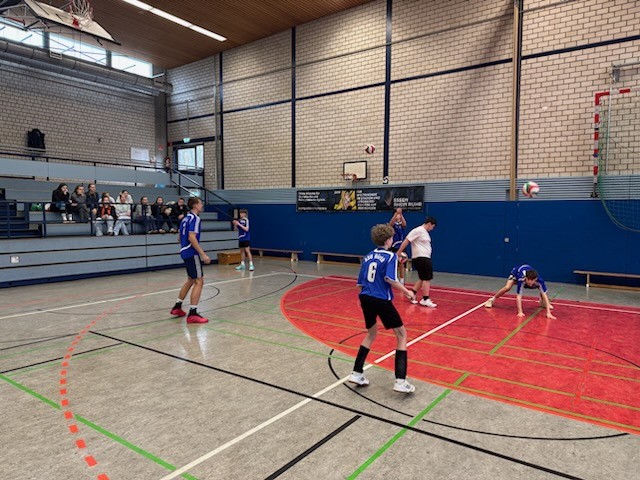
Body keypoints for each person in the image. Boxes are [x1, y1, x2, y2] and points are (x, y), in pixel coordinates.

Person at [348, 224, 417, 394]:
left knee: (371, 333)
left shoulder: (368, 256)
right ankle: (400, 381)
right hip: (381, 300)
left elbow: (360, 283)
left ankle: (356, 373)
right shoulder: (391, 256)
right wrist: (407, 292)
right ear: (388, 240)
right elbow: (390, 279)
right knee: (401, 335)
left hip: (365, 297)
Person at [170, 197, 211, 324]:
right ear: (195, 205)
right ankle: (193, 313)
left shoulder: (185, 218)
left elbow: (179, 237)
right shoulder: (195, 218)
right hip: (191, 252)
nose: (202, 205)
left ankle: (177, 307)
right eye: (200, 203)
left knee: (191, 280)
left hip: (184, 251)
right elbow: (191, 237)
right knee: (199, 281)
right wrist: (203, 254)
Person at [484, 265, 556, 319]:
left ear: (535, 279)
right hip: (516, 274)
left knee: (543, 291)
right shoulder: (521, 279)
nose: (530, 282)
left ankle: (542, 302)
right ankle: (492, 299)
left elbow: (544, 294)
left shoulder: (540, 281)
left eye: (532, 280)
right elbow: (519, 296)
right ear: (526, 278)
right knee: (507, 287)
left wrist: (548, 313)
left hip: (529, 276)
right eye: (528, 280)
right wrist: (520, 312)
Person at [396, 216, 438, 308]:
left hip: (424, 257)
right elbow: (407, 240)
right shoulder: (418, 230)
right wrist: (399, 252)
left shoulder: (425, 232)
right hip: (421, 257)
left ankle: (411, 293)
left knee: (423, 278)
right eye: (432, 227)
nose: (432, 229)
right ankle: (425, 299)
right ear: (429, 224)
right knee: (427, 278)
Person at [389, 208, 407, 284]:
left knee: (401, 263)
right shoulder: (393, 224)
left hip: (401, 246)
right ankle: (392, 278)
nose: (398, 216)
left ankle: (402, 280)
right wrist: (396, 213)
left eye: (399, 215)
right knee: (393, 263)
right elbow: (391, 224)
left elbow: (404, 224)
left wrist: (401, 214)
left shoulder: (401, 224)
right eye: (397, 214)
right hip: (394, 246)